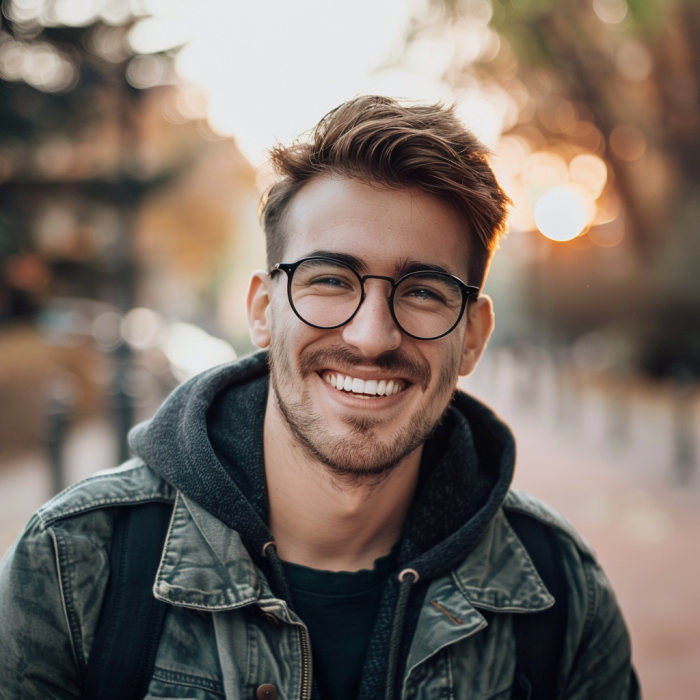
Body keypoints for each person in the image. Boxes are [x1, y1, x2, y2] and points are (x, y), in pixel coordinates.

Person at [0, 96, 638, 700]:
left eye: (422, 291)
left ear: (472, 337)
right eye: (331, 279)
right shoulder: (73, 564)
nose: (371, 336)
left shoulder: (562, 595)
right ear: (262, 310)